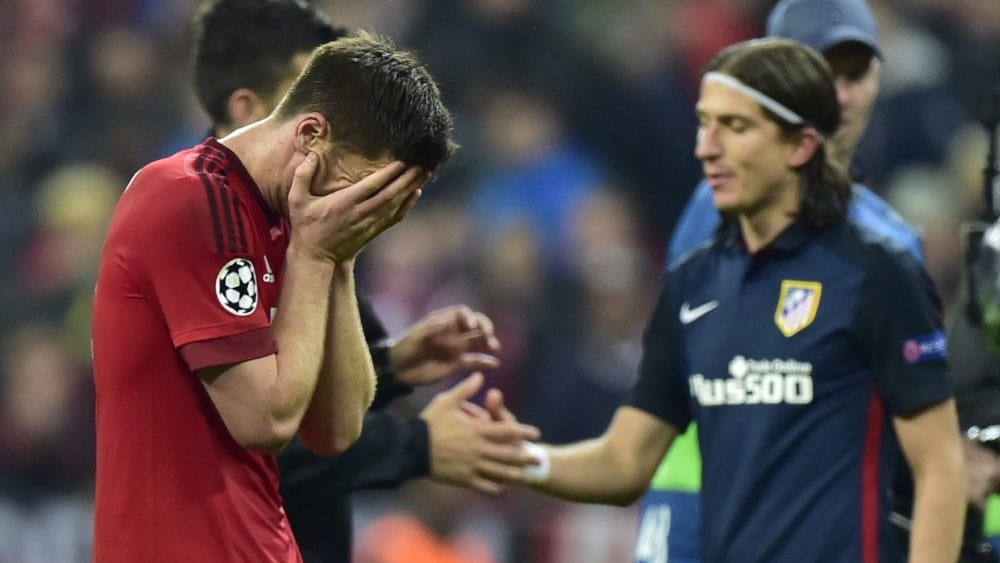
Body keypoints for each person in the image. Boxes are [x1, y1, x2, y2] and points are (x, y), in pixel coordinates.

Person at [508, 37, 967, 562]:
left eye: (736, 127)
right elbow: (626, 461)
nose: (707, 146)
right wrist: (512, 459)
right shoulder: (691, 284)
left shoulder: (875, 272)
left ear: (800, 145)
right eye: (705, 123)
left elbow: (940, 465)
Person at [188, 1, 539, 561]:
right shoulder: (204, 232)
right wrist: (417, 446)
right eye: (305, 103)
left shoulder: (297, 222)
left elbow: (308, 391)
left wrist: (393, 367)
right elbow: (254, 436)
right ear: (247, 108)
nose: (329, 127)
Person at [92, 32, 460, 561]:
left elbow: (336, 429)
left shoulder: (297, 222)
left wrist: (340, 258)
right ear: (311, 134)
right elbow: (264, 420)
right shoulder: (188, 199)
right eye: (365, 189)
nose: (365, 211)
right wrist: (314, 256)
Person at [635, 2, 925, 561]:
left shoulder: (893, 243)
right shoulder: (716, 209)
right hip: (703, 491)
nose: (837, 95)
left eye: (852, 74)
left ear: (878, 78)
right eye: (817, 72)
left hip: (819, 518)